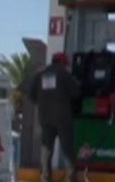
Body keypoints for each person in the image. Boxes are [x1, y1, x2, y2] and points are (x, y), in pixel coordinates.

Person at [28, 52, 81, 182]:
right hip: (62, 118)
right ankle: (71, 178)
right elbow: (76, 92)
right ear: (62, 63)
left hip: (45, 118)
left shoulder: (39, 75)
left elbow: (31, 96)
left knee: (46, 149)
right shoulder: (63, 74)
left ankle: (45, 178)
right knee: (67, 148)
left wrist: (43, 102)